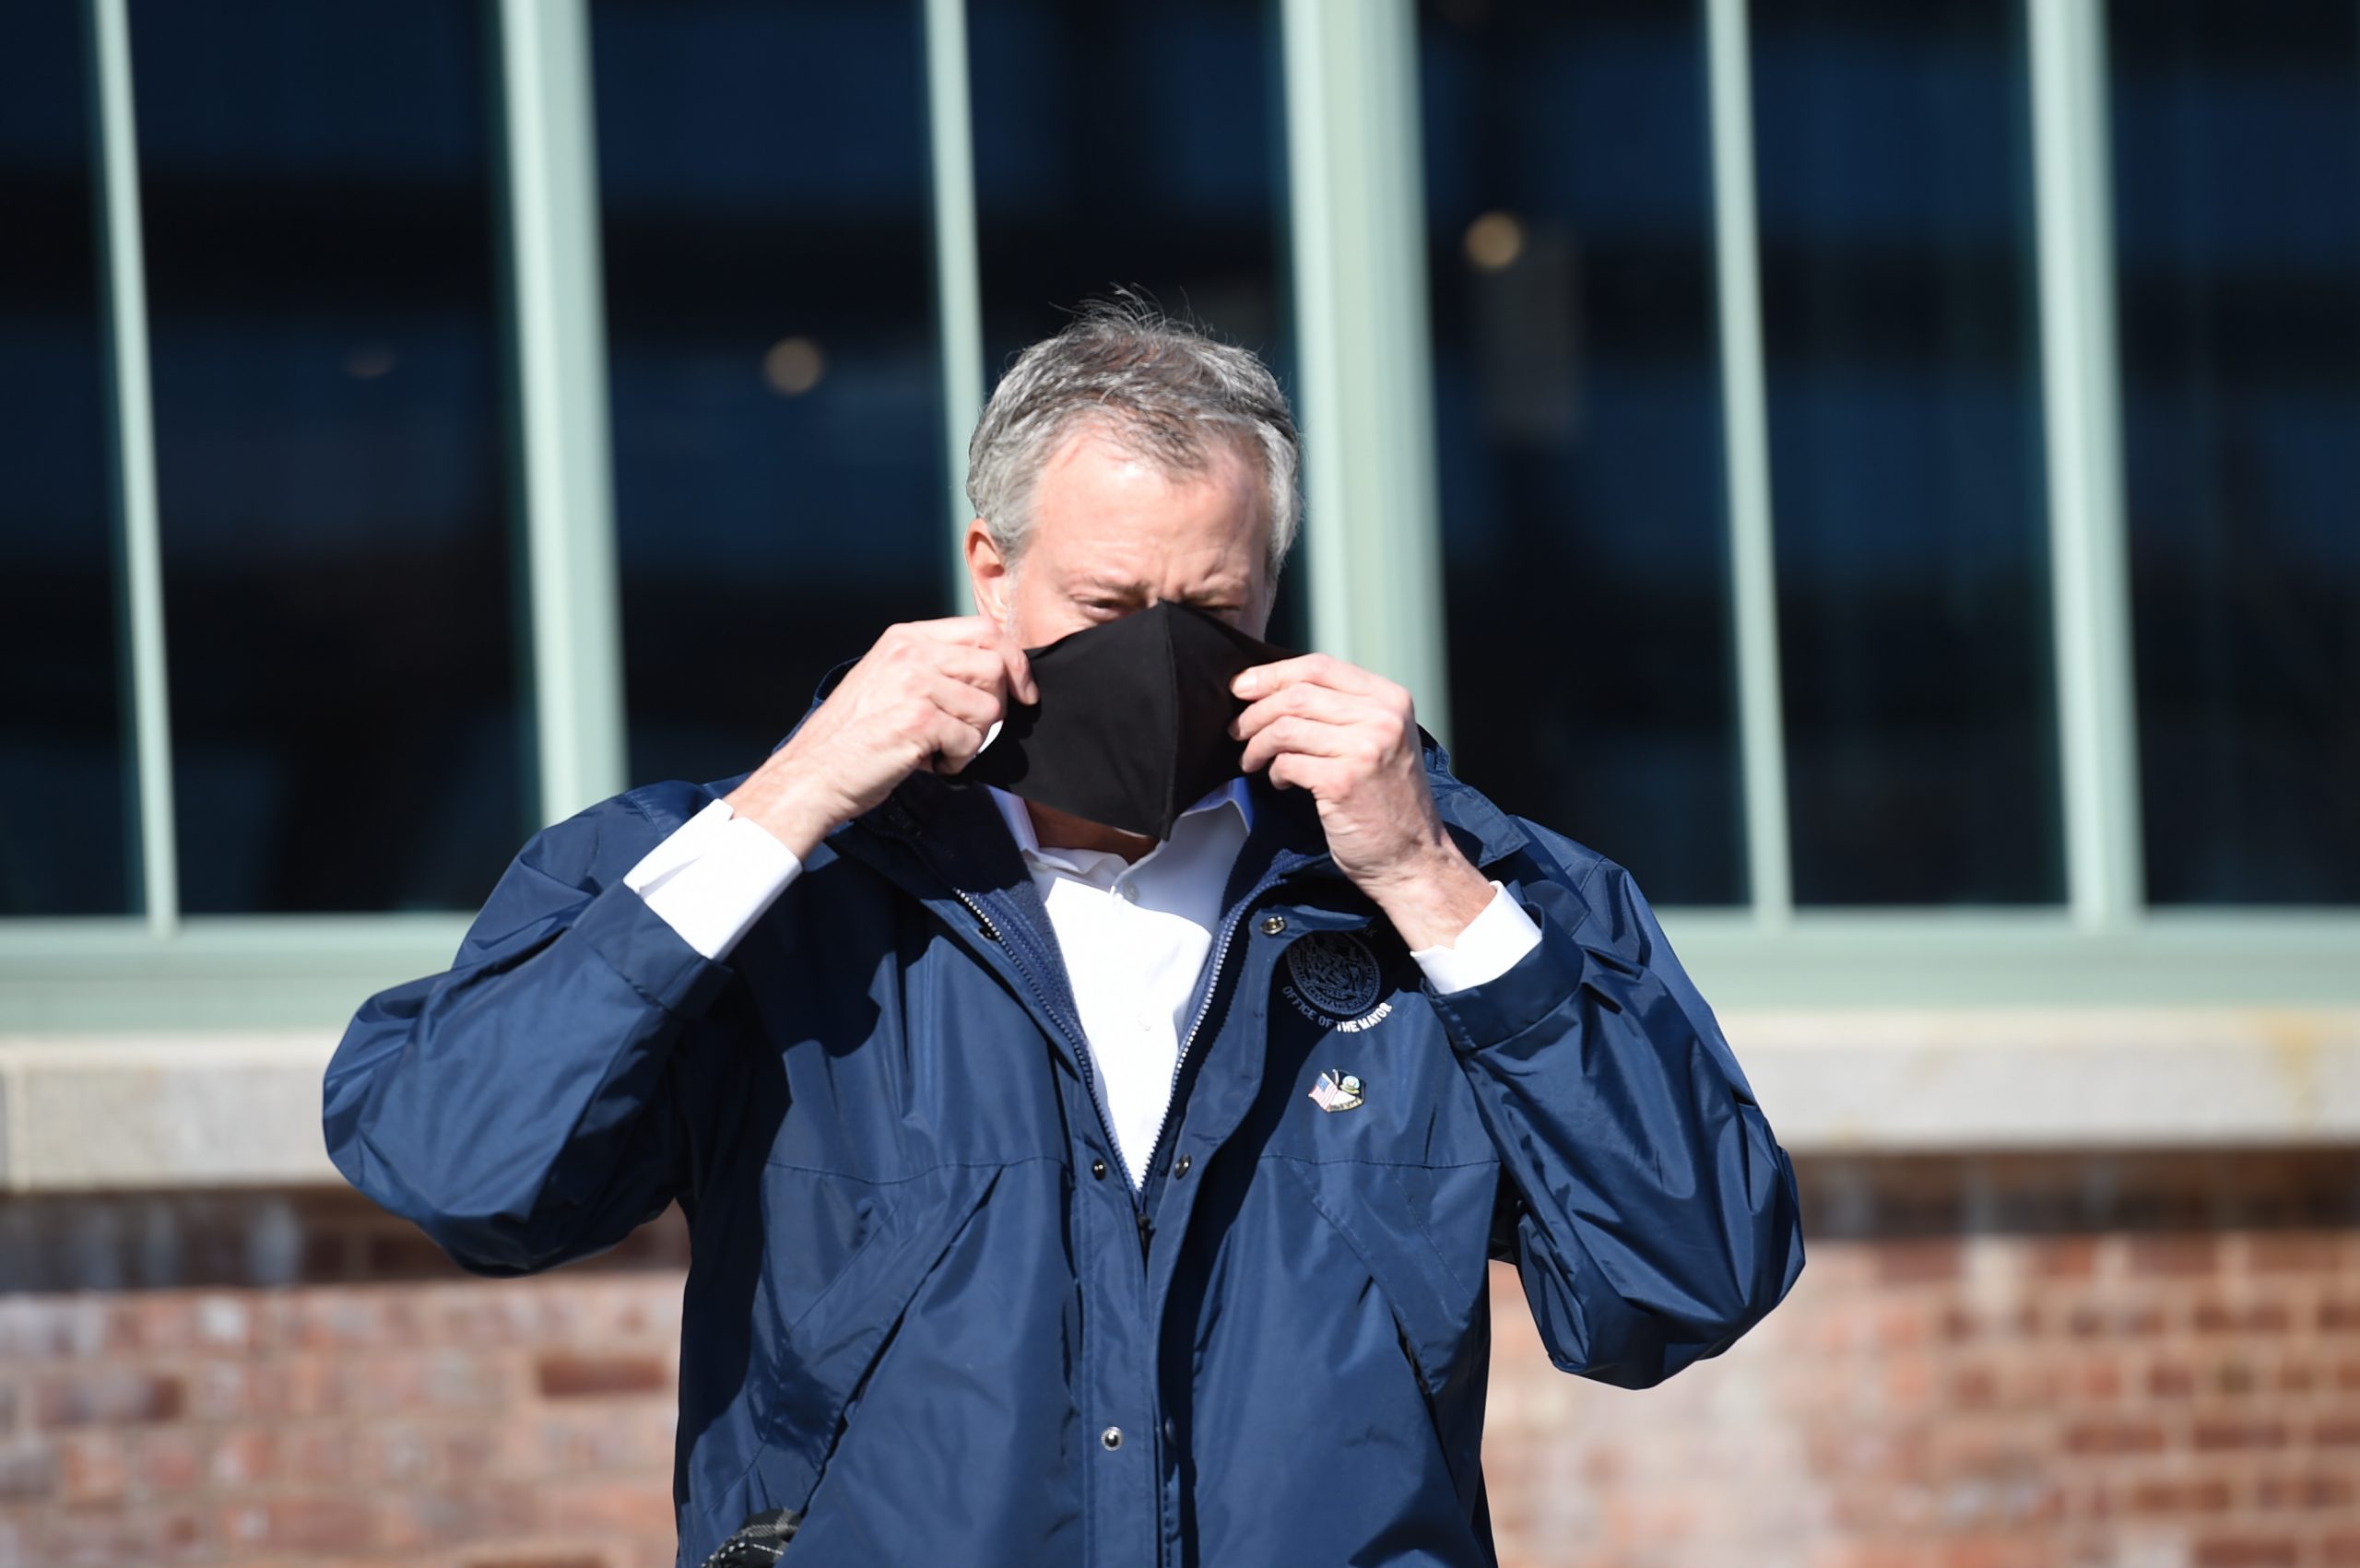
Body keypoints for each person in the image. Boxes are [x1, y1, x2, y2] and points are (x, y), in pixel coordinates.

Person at [324, 298, 1806, 1568]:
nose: (1158, 656)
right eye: (1106, 602)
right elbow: (464, 1165)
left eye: (1210, 609)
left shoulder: (1447, 878)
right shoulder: (782, 881)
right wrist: (794, 798)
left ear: (1272, 600)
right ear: (991, 568)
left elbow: (1693, 1276)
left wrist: (1431, 887)